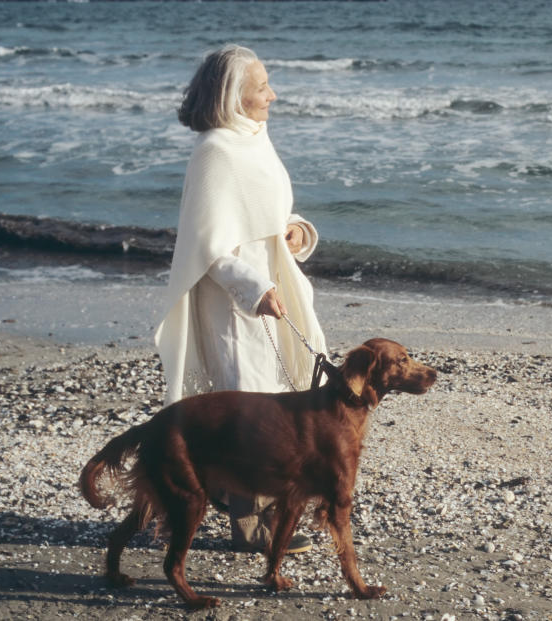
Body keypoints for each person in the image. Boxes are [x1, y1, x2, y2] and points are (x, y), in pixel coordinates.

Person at [154, 44, 326, 554]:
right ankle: (249, 527)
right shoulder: (215, 151)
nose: (272, 95)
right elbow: (205, 247)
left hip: (273, 286)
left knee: (276, 399)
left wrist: (296, 233)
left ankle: (262, 511)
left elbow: (273, 214)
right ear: (233, 95)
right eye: (261, 87)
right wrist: (255, 289)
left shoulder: (256, 139)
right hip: (234, 301)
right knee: (247, 406)